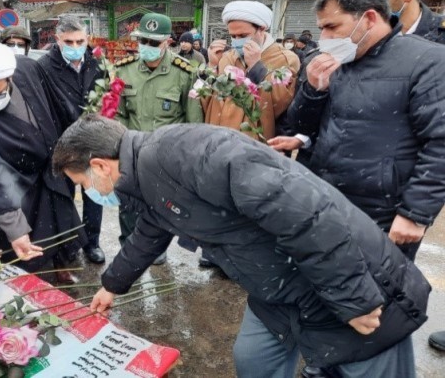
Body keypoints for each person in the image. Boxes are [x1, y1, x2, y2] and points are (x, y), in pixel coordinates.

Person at [53, 115, 431, 378]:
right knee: (254, 360)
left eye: (81, 183)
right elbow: (151, 230)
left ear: (100, 165)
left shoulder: (190, 152)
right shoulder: (144, 177)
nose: (88, 192)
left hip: (349, 282)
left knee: (365, 366)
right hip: (277, 288)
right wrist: (112, 285)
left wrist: (354, 299)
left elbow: (307, 215)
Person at [284, 0, 445, 263]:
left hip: (382, 215)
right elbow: (303, 126)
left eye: (332, 27)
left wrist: (415, 213)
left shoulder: (427, 61)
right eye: (321, 28)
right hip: (325, 201)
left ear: (369, 18)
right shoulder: (333, 61)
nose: (325, 38)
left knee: (373, 299)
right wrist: (312, 90)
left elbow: (440, 143)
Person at [360, 0, 445, 354]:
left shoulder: (438, 45)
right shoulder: (364, 39)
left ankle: (380, 350)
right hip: (369, 183)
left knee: (392, 279)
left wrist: (417, 209)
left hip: (415, 185)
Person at [0, 40, 85, 283]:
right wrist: (15, 228)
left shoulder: (27, 69)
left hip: (50, 163)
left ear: (10, 77)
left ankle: (63, 262)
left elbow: (58, 104)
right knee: (27, 237)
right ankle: (38, 276)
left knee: (62, 219)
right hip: (12, 182)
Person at [114, 12, 203, 265]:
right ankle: (128, 246)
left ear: (167, 42)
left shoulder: (185, 73)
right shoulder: (124, 70)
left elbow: (193, 121)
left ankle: (155, 248)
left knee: (162, 206)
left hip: (167, 155)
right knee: (128, 204)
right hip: (131, 151)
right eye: (144, 41)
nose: (148, 47)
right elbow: (118, 114)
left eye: (154, 43)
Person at [38, 15, 105, 264]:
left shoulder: (97, 62)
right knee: (63, 198)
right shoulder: (44, 66)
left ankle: (91, 242)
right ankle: (69, 244)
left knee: (93, 194)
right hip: (61, 144)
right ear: (57, 39)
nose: (75, 46)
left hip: (91, 142)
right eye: (69, 41)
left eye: (80, 41)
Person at [202, 1, 300, 140]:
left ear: (262, 29)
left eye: (243, 36)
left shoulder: (285, 59)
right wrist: (211, 66)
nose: (237, 41)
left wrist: (256, 67)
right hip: (219, 138)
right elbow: (210, 100)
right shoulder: (227, 57)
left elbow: (279, 106)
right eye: (233, 36)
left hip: (252, 141)